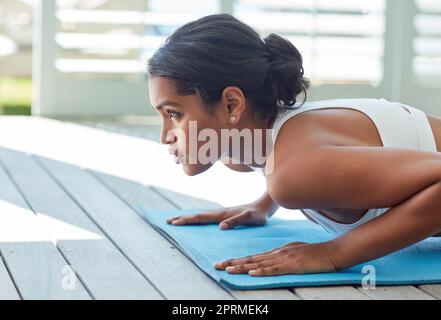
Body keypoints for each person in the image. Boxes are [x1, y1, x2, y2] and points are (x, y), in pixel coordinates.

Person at [147, 13, 441, 276]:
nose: (164, 136)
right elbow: (312, 164)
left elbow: (301, 168)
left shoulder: (293, 173)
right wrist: (263, 204)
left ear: (232, 104)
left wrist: (335, 253)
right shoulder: (249, 150)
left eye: (174, 114)